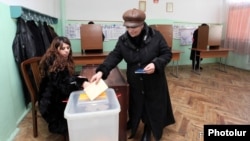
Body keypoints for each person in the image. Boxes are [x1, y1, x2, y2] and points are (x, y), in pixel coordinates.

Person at [90, 8, 175, 141]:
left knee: (151, 105)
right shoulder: (123, 40)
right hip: (135, 80)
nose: (131, 30)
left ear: (142, 24)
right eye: (128, 27)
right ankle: (134, 122)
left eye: (135, 27)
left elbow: (166, 54)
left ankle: (148, 128)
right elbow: (114, 55)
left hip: (153, 80)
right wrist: (102, 71)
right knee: (136, 104)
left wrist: (156, 64)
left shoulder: (156, 36)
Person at [38, 36, 90, 135]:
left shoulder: (60, 59)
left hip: (54, 96)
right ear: (55, 49)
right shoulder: (53, 62)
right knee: (81, 105)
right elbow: (64, 88)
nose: (66, 51)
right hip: (51, 105)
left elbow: (65, 78)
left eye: (68, 48)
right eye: (62, 48)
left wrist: (78, 78)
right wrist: (81, 82)